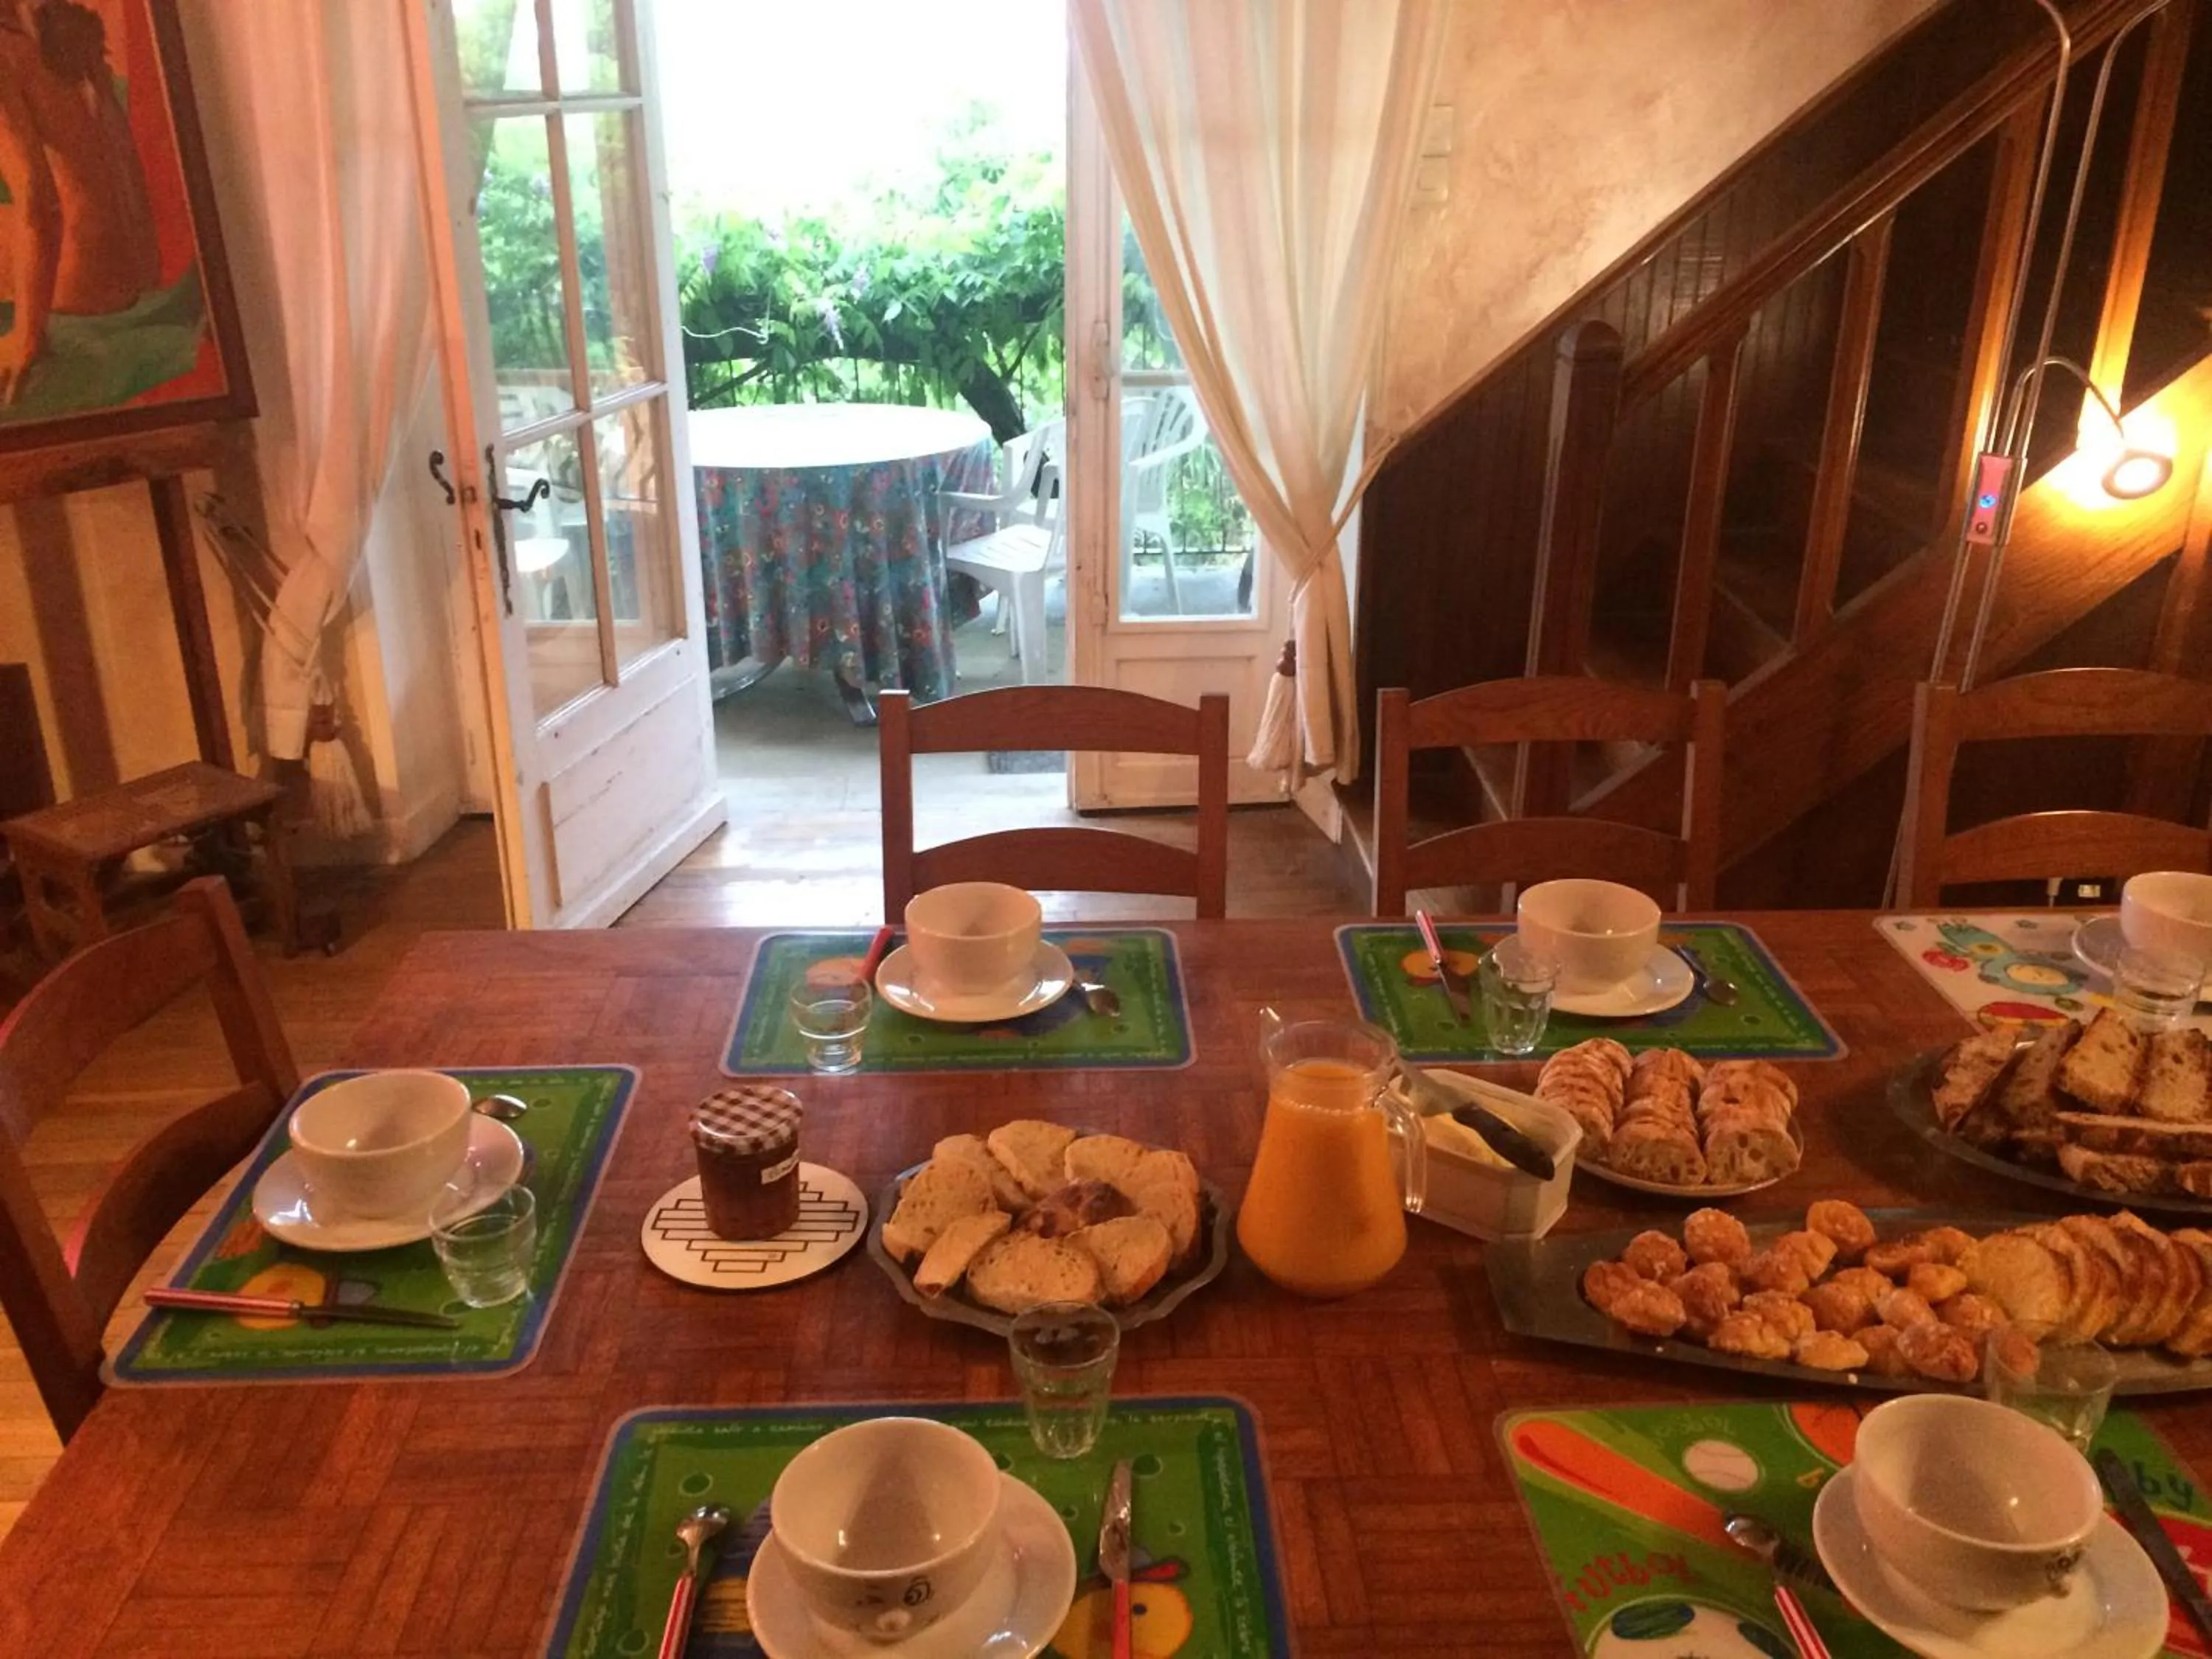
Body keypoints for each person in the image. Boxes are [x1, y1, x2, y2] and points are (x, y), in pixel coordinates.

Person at [0, 0, 167, 408]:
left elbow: (39, 206)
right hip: (132, 272)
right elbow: (121, 163)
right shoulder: (64, 25)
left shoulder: (6, 52)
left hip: (78, 293)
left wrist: (28, 341)